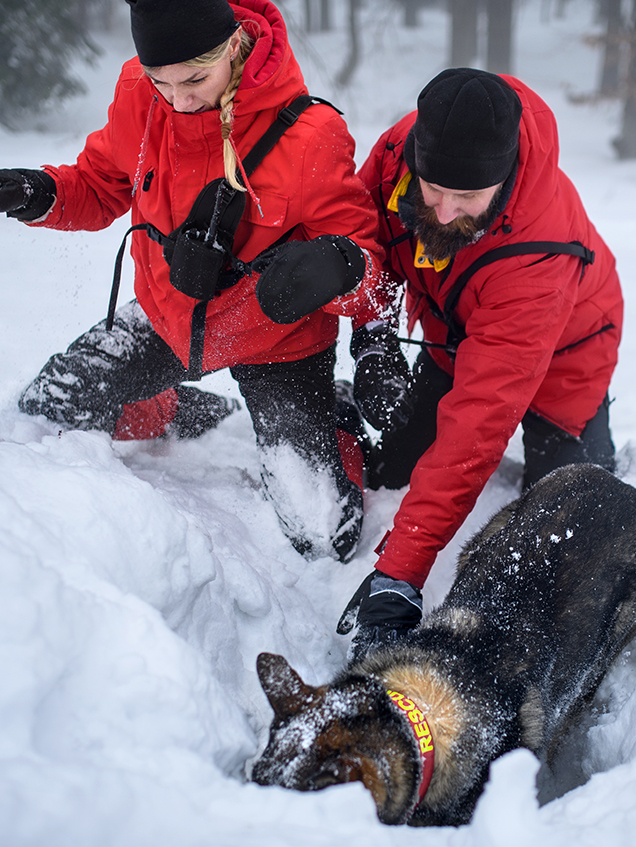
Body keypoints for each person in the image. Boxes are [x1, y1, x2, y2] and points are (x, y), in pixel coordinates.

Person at [0, 0, 391, 562]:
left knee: (322, 538)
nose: (179, 100)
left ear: (235, 44)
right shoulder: (139, 92)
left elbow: (372, 272)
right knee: (47, 409)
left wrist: (338, 268)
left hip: (277, 343)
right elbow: (101, 183)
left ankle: (336, 421)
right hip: (166, 314)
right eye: (163, 81)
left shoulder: (311, 135)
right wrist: (37, 193)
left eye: (195, 79)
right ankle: (181, 409)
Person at [338, 68, 624, 656]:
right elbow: (362, 237)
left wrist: (400, 575)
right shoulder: (404, 148)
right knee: (396, 468)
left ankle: (580, 437)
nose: (442, 214)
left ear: (503, 177)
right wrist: (373, 336)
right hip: (456, 330)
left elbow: (476, 429)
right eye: (432, 191)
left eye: (465, 198)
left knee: (564, 520)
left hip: (567, 353)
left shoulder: (538, 253)